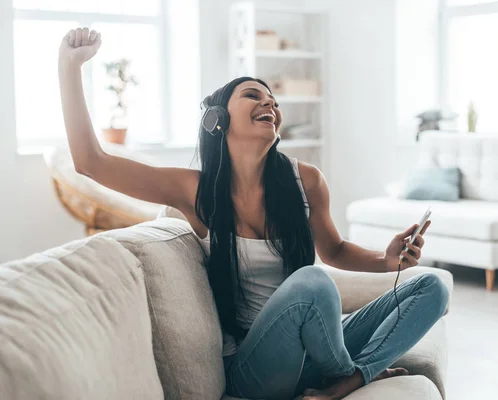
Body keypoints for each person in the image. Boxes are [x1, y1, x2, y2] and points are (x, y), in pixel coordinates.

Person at [58, 27, 449, 400]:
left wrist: (385, 260)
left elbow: (335, 249)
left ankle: (350, 374)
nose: (271, 104)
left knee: (431, 287)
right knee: (312, 283)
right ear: (218, 120)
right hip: (256, 366)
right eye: (253, 95)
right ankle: (348, 375)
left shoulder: (306, 180)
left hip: (316, 349)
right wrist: (70, 66)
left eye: (274, 101)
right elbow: (91, 162)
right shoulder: (196, 191)